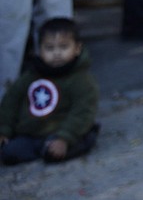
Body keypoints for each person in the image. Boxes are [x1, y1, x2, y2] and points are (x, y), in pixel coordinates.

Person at [0, 17, 98, 165]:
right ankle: (43, 150)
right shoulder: (31, 75)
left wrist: (64, 137)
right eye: (49, 48)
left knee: (66, 147)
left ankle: (70, 143)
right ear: (39, 50)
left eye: (63, 47)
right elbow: (11, 101)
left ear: (77, 48)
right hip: (31, 134)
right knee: (8, 154)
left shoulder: (81, 80)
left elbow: (82, 112)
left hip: (62, 132)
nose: (57, 53)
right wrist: (4, 130)